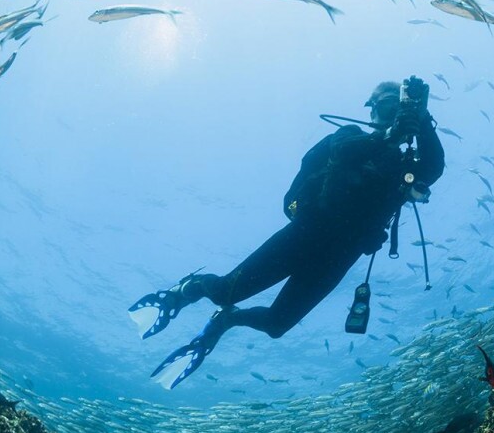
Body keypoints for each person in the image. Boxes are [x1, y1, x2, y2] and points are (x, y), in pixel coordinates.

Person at [129, 78, 445, 388]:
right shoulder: (349, 135)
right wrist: (390, 134)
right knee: (226, 292)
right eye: (386, 107)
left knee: (277, 325)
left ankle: (225, 320)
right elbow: (346, 151)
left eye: (397, 108)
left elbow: (433, 169)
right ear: (372, 111)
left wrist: (424, 121)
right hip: (305, 234)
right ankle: (187, 289)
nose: (391, 116)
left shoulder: (403, 163)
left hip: (340, 256)